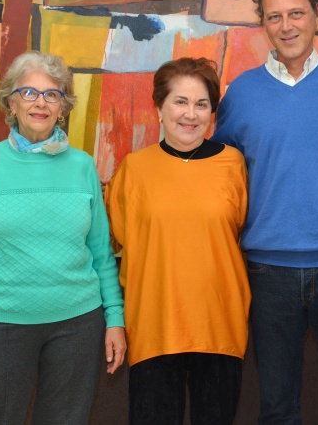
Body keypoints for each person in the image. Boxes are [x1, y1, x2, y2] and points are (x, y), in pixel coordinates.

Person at [212, 0, 318, 424]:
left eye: (297, 12)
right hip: (267, 272)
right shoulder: (240, 94)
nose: (287, 26)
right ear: (262, 24)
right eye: (274, 16)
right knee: (277, 406)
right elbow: (221, 174)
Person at [0, 51, 126, 424]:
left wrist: (114, 318)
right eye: (28, 93)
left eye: (51, 94)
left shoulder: (83, 165)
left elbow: (101, 253)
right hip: (0, 324)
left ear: (63, 107)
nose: (40, 103)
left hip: (78, 323)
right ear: (11, 102)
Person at [106, 57, 250, 425]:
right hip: (154, 328)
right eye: (180, 102)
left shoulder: (233, 164)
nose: (191, 114)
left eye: (201, 104)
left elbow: (239, 231)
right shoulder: (133, 170)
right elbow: (117, 242)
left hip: (219, 327)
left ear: (212, 113)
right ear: (159, 107)